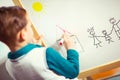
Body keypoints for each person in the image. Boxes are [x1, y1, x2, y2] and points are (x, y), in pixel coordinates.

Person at [0, 6, 79, 80]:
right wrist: (71, 48)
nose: (31, 28)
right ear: (22, 35)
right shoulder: (47, 54)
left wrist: (36, 47)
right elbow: (73, 71)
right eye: (30, 26)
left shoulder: (8, 66)